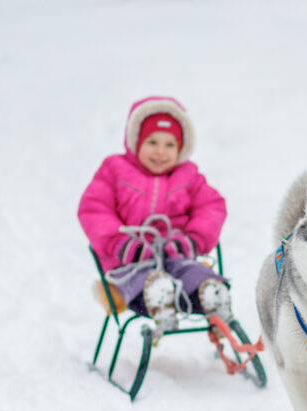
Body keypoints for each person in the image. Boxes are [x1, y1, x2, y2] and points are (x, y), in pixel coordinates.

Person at [78, 95, 231, 338]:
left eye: (170, 145)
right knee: (142, 279)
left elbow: (212, 207)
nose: (160, 152)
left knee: (193, 273)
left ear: (181, 148)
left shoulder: (188, 175)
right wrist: (119, 242)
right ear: (135, 142)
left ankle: (212, 297)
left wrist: (193, 240)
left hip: (175, 258)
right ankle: (159, 298)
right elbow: (94, 209)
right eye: (152, 142)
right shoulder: (114, 169)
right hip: (130, 264)